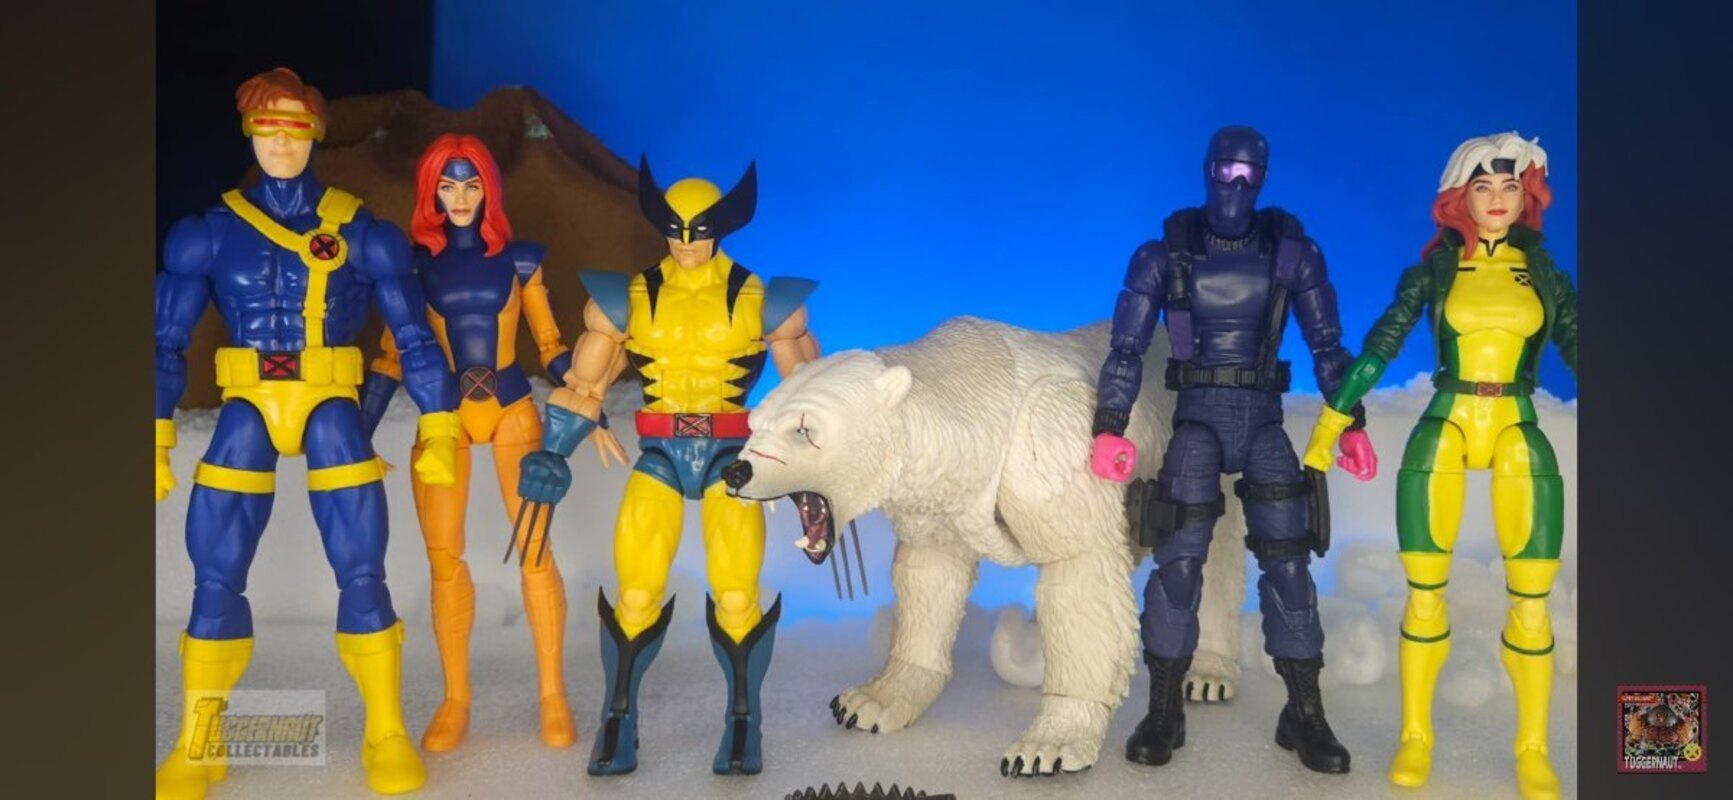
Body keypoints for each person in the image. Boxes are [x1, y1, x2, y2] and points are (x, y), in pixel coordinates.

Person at [154, 67, 460, 798]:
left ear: (317, 134)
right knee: (214, 571)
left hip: (328, 399)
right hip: (249, 400)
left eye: (294, 128)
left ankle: (385, 729)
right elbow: (164, 342)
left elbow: (415, 337)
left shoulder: (363, 232)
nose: (281, 143)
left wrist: (440, 425)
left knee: (362, 569)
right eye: (266, 128)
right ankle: (200, 738)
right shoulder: (208, 233)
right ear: (248, 134)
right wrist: (156, 434)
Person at [515, 157, 820, 776]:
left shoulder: (764, 302)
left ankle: (743, 719)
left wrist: (813, 472)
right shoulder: (628, 299)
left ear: (721, 227)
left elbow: (811, 395)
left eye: (698, 230)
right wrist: (553, 450)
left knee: (736, 593)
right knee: (635, 590)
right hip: (659, 455)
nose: (685, 243)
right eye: (675, 229)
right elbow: (586, 384)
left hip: (731, 457)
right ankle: (618, 717)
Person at [1091, 126, 1375, 775]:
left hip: (1262, 419)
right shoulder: (1162, 255)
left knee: (1289, 562)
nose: (1236, 186)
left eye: (1249, 175)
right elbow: (1125, 350)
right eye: (1226, 171)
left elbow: (1328, 348)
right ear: (1207, 170)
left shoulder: (1293, 254)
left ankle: (1304, 712)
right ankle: (1164, 710)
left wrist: (1351, 422)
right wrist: (1109, 425)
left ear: (1263, 180)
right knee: (1178, 564)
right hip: (1196, 418)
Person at [1303, 131, 1577, 800]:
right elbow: (1381, 345)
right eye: (1483, 186)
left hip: (1515, 423)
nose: (1497, 198)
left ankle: (1532, 747)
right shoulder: (1433, 273)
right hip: (1447, 421)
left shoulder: (1542, 273)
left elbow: (1578, 342)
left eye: (1509, 186)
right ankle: (1415, 734)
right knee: (1424, 594)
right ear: (1460, 198)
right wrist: (1331, 421)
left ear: (1526, 196)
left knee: (1532, 600)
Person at [359, 133, 624, 752]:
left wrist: (590, 401)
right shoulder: (412, 266)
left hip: (510, 408)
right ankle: (456, 697)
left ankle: (552, 693)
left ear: (489, 191)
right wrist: (356, 431)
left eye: (471, 184)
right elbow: (392, 356)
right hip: (442, 416)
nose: (459, 197)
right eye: (448, 185)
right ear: (431, 191)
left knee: (534, 550)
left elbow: (552, 348)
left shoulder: (520, 260)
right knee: (444, 558)